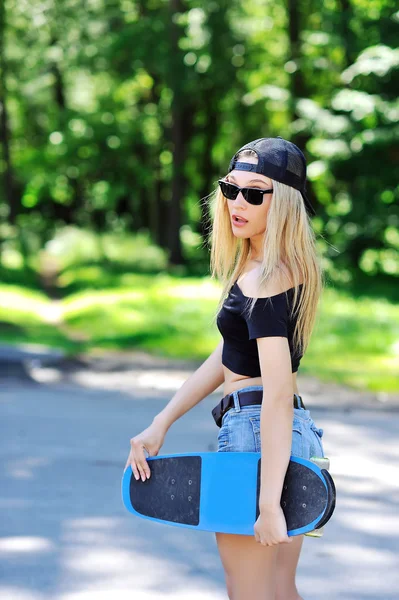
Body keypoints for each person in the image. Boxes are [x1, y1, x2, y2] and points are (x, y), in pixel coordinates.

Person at [124, 136, 326, 600]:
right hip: (289, 435)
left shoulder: (266, 278)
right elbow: (229, 356)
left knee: (250, 591)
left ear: (285, 204)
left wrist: (269, 501)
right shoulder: (275, 266)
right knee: (278, 588)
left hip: (259, 437)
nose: (238, 202)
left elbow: (276, 390)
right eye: (231, 188)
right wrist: (163, 421)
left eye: (255, 193)